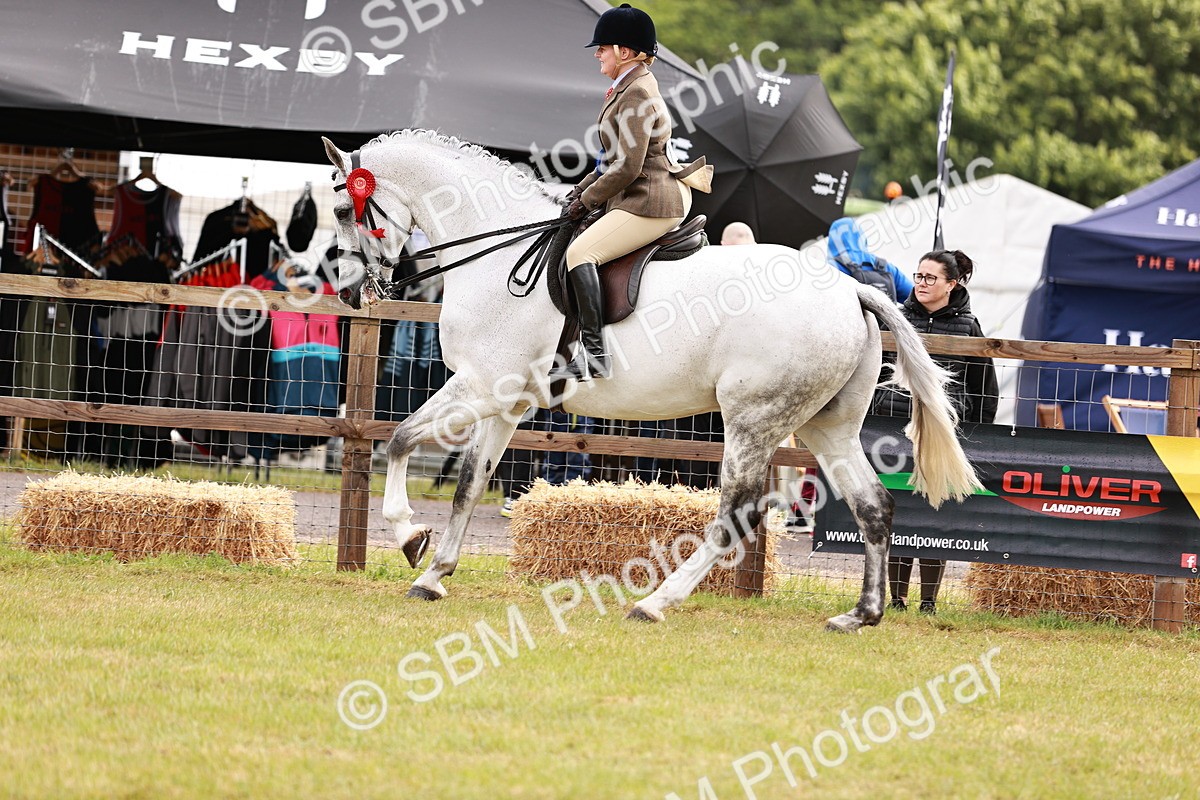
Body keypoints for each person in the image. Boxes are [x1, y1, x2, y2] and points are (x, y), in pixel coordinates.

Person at [548, 3, 712, 383]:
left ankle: (595, 355)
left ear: (625, 52)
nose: (597, 55)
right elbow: (609, 162)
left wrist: (586, 203)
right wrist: (579, 192)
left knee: (580, 252)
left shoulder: (637, 92)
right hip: (641, 191)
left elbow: (628, 167)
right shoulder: (628, 86)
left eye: (602, 48)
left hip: (652, 199)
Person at [874, 249, 999, 614]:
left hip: (944, 430)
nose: (922, 284)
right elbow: (877, 370)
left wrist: (981, 431)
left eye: (930, 278)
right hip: (892, 426)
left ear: (951, 284)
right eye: (919, 276)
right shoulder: (896, 318)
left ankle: (928, 601)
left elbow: (982, 385)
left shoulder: (969, 326)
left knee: (933, 514)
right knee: (896, 510)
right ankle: (896, 598)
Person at [826, 217, 913, 304]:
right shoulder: (886, 267)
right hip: (886, 316)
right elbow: (915, 297)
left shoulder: (831, 268)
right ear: (861, 237)